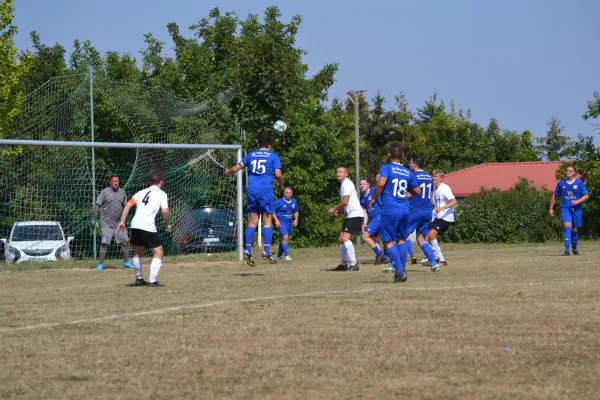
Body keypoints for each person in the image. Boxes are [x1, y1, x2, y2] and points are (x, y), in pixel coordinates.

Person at [225, 133, 283, 267]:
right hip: (265, 191)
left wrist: (227, 171)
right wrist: (280, 185)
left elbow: (236, 168)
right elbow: (278, 174)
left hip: (251, 190)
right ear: (269, 146)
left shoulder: (251, 155)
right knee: (267, 220)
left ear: (259, 144)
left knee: (253, 221)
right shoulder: (273, 155)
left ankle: (248, 250)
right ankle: (267, 251)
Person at [370, 144, 420, 283]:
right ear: (402, 156)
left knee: (387, 241)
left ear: (388, 155)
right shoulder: (407, 172)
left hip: (390, 209)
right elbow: (417, 191)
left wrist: (374, 198)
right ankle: (402, 270)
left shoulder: (386, 167)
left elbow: (380, 184)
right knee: (402, 239)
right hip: (405, 210)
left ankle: (399, 270)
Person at [117, 171, 171, 287]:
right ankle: (152, 281)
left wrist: (122, 221)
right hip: (147, 225)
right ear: (161, 182)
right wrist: (168, 223)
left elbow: (127, 205)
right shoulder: (162, 194)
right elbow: (165, 211)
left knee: (137, 252)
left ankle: (139, 279)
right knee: (158, 252)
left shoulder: (140, 192)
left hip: (135, 225)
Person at [328, 167, 364, 271]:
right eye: (337, 172)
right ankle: (344, 264)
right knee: (341, 239)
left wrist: (334, 208)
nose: (338, 173)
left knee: (345, 238)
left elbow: (345, 201)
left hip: (356, 214)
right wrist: (341, 211)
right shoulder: (343, 185)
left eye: (341, 172)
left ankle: (354, 263)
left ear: (346, 174)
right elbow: (347, 203)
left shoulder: (347, 184)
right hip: (351, 214)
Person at [406, 158, 439, 271]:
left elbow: (409, 195)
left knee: (400, 235)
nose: (409, 164)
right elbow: (430, 194)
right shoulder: (429, 177)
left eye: (410, 162)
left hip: (416, 209)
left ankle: (393, 264)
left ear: (414, 164)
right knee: (421, 239)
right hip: (427, 210)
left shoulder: (413, 176)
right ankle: (434, 264)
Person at [94, 176, 133, 271]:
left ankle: (125, 262)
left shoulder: (122, 193)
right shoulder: (104, 192)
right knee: (105, 243)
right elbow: (97, 205)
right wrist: (94, 219)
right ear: (110, 182)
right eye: (114, 181)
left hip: (119, 223)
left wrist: (125, 220)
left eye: (117, 181)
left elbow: (125, 207)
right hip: (106, 223)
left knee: (125, 241)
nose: (116, 183)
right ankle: (101, 264)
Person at [549, 165, 589, 255]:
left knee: (574, 229)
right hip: (565, 209)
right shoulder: (561, 183)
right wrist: (551, 208)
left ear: (574, 173)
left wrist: (578, 201)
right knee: (567, 227)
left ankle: (574, 249)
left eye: (570, 171)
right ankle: (567, 251)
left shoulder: (579, 183)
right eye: (567, 170)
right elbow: (554, 195)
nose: (568, 172)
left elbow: (586, 195)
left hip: (577, 209)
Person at [423, 169, 457, 267]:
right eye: (433, 176)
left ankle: (440, 260)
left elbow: (454, 201)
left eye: (436, 176)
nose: (433, 178)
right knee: (426, 237)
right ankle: (436, 258)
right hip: (439, 217)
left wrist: (443, 208)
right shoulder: (435, 190)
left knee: (431, 235)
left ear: (441, 178)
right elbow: (435, 205)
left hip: (446, 218)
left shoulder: (445, 188)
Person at [359, 176, 387, 264]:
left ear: (368, 185)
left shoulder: (374, 190)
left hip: (379, 217)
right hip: (373, 219)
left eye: (364, 184)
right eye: (360, 184)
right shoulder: (362, 198)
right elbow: (365, 212)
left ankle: (380, 254)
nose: (362, 186)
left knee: (365, 236)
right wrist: (364, 223)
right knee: (374, 239)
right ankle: (383, 259)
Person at [272, 187, 299, 261]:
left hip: (289, 224)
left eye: (289, 193)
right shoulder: (279, 202)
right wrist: (276, 220)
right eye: (286, 193)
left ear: (292, 194)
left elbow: (296, 211)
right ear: (284, 193)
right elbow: (272, 211)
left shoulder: (294, 201)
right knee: (285, 236)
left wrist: (296, 219)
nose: (288, 194)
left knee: (284, 239)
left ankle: (279, 256)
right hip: (281, 223)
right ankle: (287, 256)